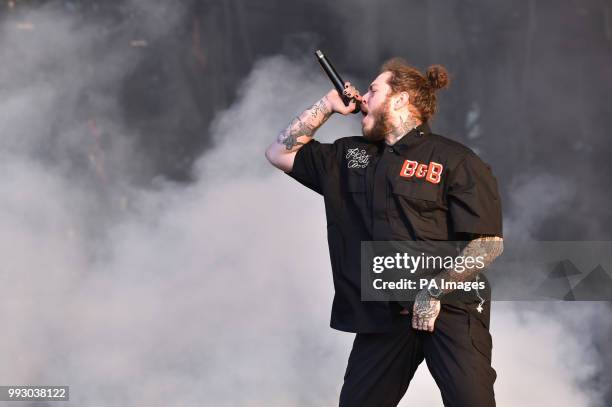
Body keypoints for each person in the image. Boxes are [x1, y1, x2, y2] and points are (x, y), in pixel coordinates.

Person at [265, 58, 503, 407]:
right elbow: (279, 152)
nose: (362, 97)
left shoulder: (456, 160)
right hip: (384, 316)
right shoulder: (351, 156)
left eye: (373, 90)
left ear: (401, 99)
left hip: (451, 306)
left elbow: (487, 243)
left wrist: (433, 291)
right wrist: (328, 105)